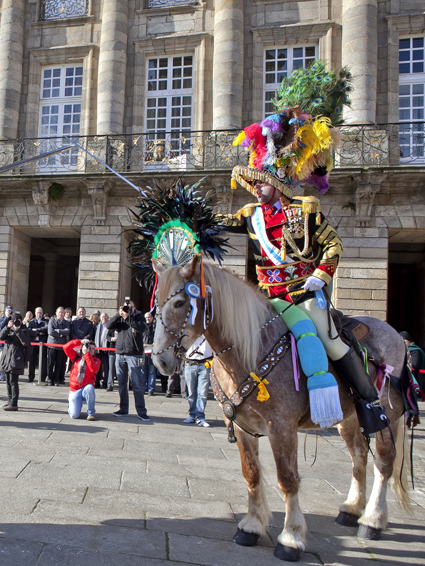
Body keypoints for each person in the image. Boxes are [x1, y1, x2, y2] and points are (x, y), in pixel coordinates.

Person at [224, 95, 386, 433]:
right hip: (267, 296)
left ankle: (368, 403)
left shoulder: (304, 210)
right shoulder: (250, 216)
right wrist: (189, 217)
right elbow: (218, 223)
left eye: (261, 182)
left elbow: (332, 244)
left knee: (329, 341)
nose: (255, 189)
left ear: (278, 182)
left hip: (303, 293)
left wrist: (320, 275)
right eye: (252, 183)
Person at [107, 299, 149, 421]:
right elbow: (108, 325)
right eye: (125, 307)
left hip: (134, 355)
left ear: (134, 307)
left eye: (129, 307)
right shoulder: (120, 317)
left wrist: (128, 318)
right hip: (120, 354)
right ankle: (123, 409)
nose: (127, 309)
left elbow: (141, 328)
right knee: (121, 384)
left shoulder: (139, 317)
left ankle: (141, 411)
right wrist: (118, 315)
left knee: (137, 384)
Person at [0, 311, 31, 411]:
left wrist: (18, 330)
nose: (17, 322)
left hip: (16, 359)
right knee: (8, 381)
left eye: (19, 320)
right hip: (7, 359)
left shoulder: (24, 330)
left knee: (13, 382)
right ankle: (10, 400)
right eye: (15, 320)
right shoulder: (9, 329)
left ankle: (14, 403)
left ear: (21, 321)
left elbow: (25, 342)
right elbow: (0, 337)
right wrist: (8, 327)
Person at [64, 338, 100, 420]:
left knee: (90, 388)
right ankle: (71, 405)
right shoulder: (76, 357)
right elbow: (66, 348)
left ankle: (91, 413)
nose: (90, 350)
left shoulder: (96, 360)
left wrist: (86, 354)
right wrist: (79, 342)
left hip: (86, 387)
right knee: (74, 415)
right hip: (75, 388)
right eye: (89, 348)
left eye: (93, 349)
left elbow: (93, 368)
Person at [182, 335, 213, 427]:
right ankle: (192, 415)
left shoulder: (208, 331)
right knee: (191, 393)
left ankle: (200, 416)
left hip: (204, 363)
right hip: (190, 363)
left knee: (202, 393)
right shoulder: (190, 332)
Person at [47, 306, 70, 385]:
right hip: (52, 345)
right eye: (59, 312)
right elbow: (50, 331)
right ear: (56, 313)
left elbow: (67, 331)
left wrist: (58, 330)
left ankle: (57, 379)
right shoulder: (51, 320)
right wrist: (61, 334)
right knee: (50, 363)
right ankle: (50, 379)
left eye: (62, 312)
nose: (61, 314)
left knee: (59, 364)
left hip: (61, 346)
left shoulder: (66, 322)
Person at [27, 307, 49, 383]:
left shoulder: (46, 321)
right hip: (33, 343)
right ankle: (31, 377)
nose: (39, 314)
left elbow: (46, 329)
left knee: (43, 361)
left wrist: (36, 330)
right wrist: (38, 333)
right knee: (32, 361)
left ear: (42, 313)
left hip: (42, 343)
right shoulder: (32, 321)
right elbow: (29, 331)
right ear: (35, 313)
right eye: (38, 312)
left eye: (40, 312)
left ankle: (42, 378)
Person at [401, 331, 425, 397]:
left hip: (415, 375)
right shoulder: (402, 350)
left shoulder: (415, 351)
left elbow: (414, 364)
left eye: (404, 340)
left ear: (408, 341)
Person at [93, 312, 111, 389]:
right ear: (100, 318)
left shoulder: (110, 327)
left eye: (105, 316)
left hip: (106, 350)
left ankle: (105, 383)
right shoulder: (96, 327)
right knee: (97, 367)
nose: (104, 318)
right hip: (98, 350)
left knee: (106, 368)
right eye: (102, 317)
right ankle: (96, 383)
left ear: (108, 317)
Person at [0, 306, 14, 381]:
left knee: (10, 360)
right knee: (1, 360)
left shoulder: (13, 320)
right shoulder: (1, 319)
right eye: (8, 311)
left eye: (10, 311)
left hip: (10, 343)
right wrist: (7, 318)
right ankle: (1, 375)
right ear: (5, 311)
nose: (9, 312)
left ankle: (8, 375)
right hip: (2, 343)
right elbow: (1, 326)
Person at [143, 311, 157, 395]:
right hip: (144, 351)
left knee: (152, 371)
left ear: (152, 318)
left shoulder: (155, 327)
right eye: (146, 318)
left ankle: (151, 389)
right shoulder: (142, 327)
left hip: (152, 351)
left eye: (149, 317)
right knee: (143, 371)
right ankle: (142, 388)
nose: (147, 319)